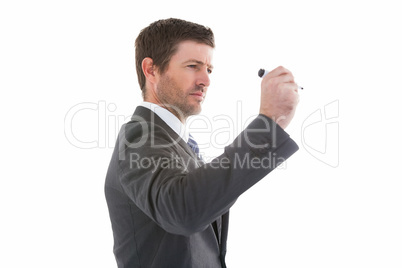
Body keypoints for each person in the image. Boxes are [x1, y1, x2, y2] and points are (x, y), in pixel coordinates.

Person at [105, 18, 300, 268]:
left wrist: (272, 125)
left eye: (208, 69)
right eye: (192, 66)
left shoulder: (177, 143)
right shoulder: (138, 138)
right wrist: (267, 126)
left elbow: (203, 199)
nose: (206, 80)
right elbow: (184, 210)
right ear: (151, 69)